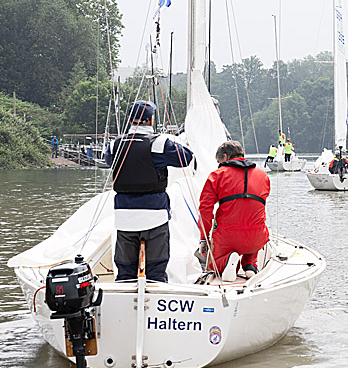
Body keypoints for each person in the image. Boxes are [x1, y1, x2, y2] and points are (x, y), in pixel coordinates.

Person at [106, 100, 194, 283]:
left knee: (125, 272)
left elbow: (108, 161)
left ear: (129, 120)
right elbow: (186, 158)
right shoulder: (159, 143)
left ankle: (123, 305)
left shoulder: (115, 144)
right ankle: (156, 302)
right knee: (156, 271)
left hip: (124, 217)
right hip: (155, 217)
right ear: (151, 120)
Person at [198, 140, 270, 280]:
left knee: (214, 263)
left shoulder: (217, 176)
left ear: (225, 157)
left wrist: (204, 238)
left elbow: (205, 209)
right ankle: (250, 265)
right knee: (252, 231)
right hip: (257, 237)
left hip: (227, 238)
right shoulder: (263, 176)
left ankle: (227, 262)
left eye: (219, 162)